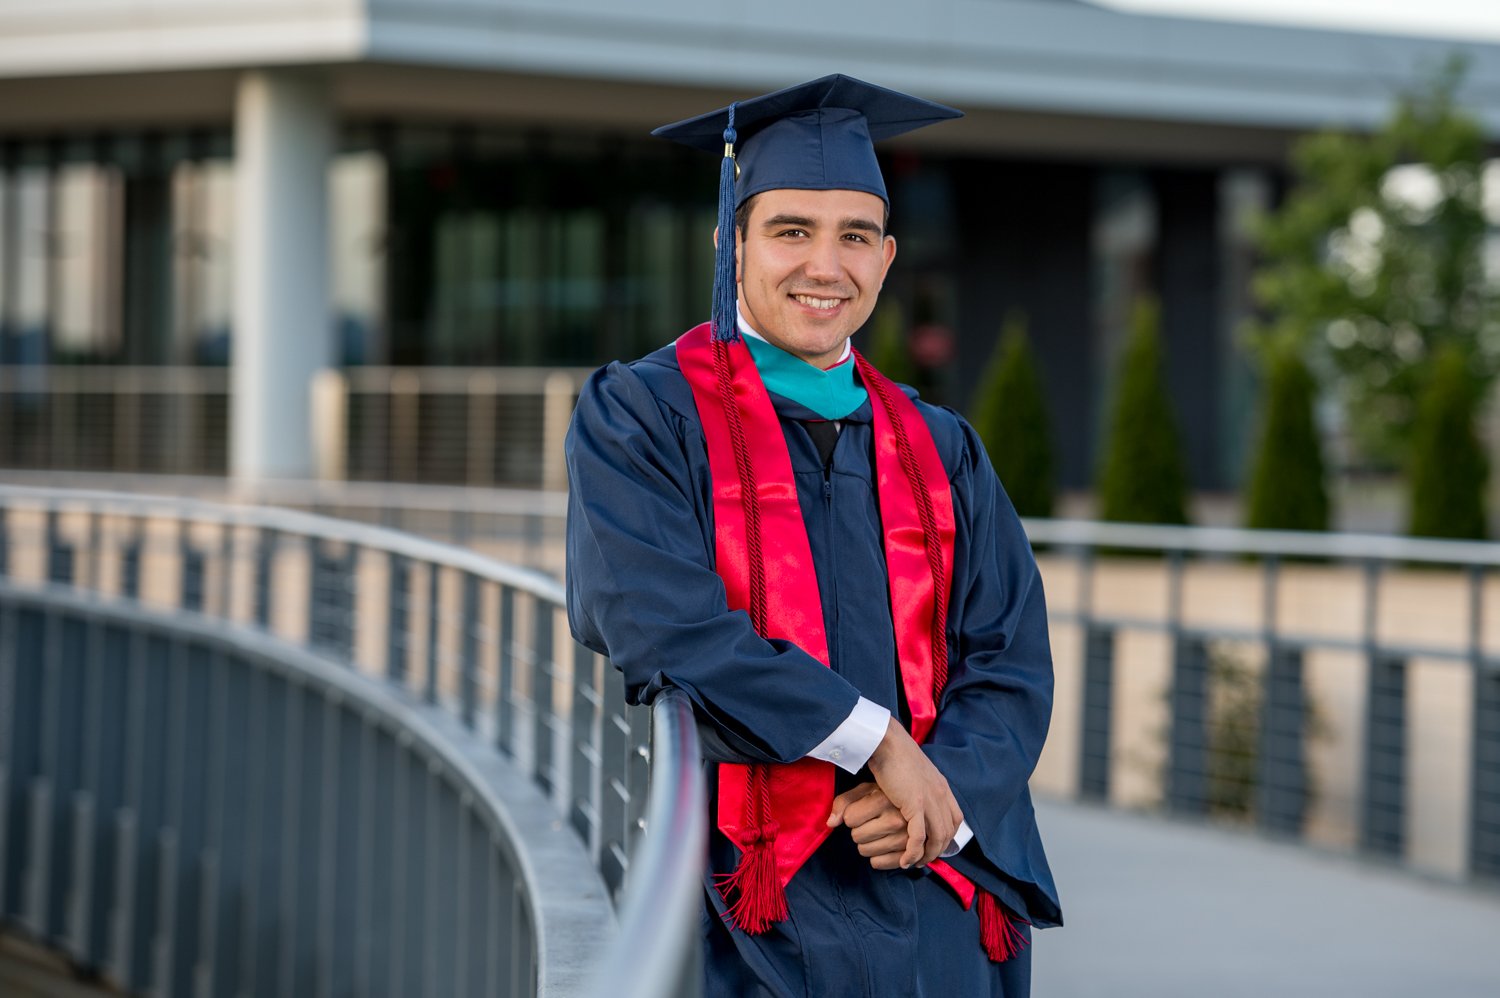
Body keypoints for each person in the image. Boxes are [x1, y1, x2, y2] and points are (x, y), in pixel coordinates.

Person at [565, 74, 1060, 997]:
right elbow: (657, 622)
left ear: (888, 256)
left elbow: (1011, 657)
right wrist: (878, 743)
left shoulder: (941, 446)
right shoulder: (641, 416)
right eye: (792, 230)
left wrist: (938, 790)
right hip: (749, 898)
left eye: (856, 236)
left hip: (937, 892)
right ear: (731, 240)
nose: (826, 266)